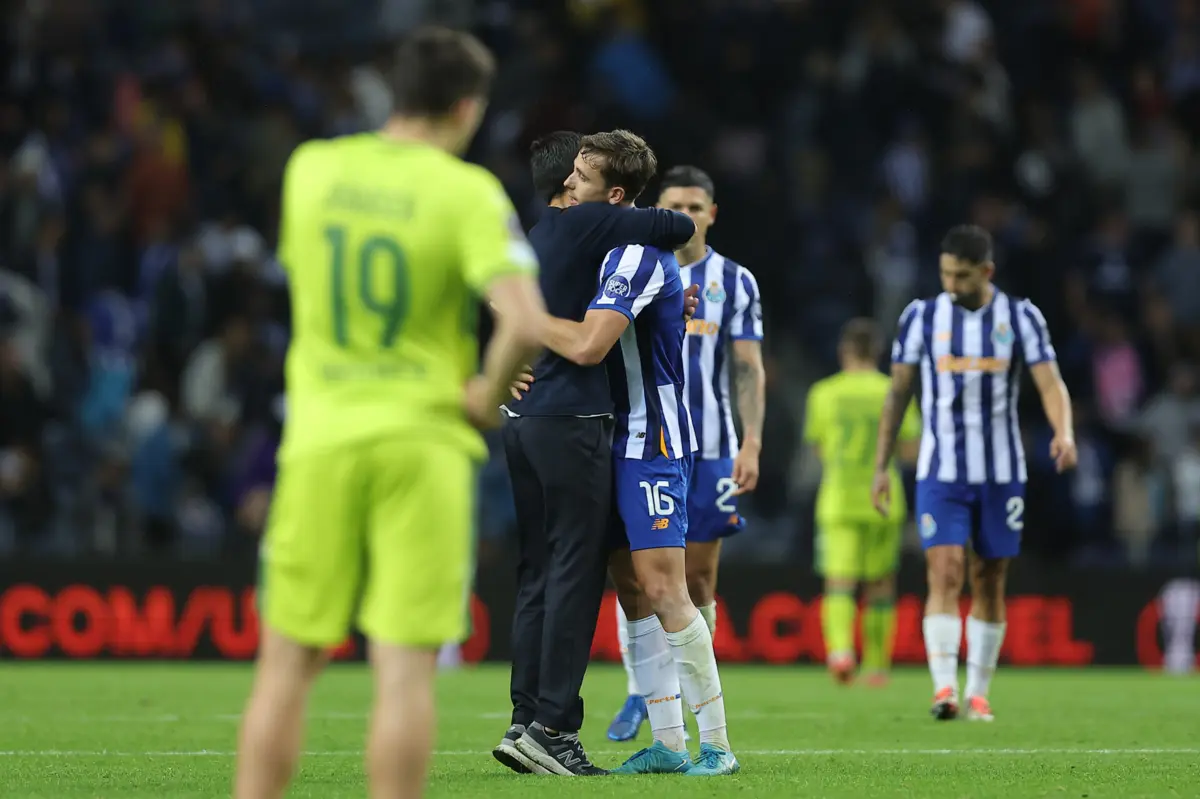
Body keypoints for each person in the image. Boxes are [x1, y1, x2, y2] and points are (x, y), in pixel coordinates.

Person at [233, 27, 546, 799]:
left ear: (395, 90)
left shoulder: (312, 170)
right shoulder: (466, 191)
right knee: (404, 674)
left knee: (285, 667)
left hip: (320, 437)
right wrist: (484, 394)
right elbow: (525, 320)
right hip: (423, 442)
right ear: (468, 107)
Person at [531, 131, 739, 777]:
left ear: (614, 196)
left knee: (664, 586)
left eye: (581, 177)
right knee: (630, 591)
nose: (567, 184)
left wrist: (515, 317)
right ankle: (669, 742)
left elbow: (592, 345)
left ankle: (718, 745)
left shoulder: (639, 257)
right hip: (607, 436)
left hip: (652, 439)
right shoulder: (598, 250)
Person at [491, 131, 695, 776]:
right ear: (572, 189)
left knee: (536, 576)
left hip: (520, 418)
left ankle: (525, 718)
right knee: (578, 575)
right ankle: (553, 730)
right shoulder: (588, 224)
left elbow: (492, 295)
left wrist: (509, 348)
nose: (578, 183)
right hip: (570, 418)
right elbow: (679, 223)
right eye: (577, 172)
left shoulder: (530, 239)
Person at [872, 224, 1077, 723]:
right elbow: (898, 393)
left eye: (961, 276)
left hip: (1001, 472)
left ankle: (979, 691)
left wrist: (1063, 431)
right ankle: (944, 688)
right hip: (940, 472)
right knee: (944, 571)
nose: (950, 284)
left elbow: (1050, 383)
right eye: (944, 273)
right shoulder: (921, 317)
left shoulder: (1021, 317)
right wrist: (881, 465)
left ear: (986, 272)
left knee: (989, 579)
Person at [607, 165, 765, 743]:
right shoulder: (638, 267)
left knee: (696, 576)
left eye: (696, 207)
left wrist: (752, 440)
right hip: (645, 442)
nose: (687, 216)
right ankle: (641, 693)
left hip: (713, 444)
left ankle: (695, 696)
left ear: (712, 213)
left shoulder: (735, 281)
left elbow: (748, 366)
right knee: (638, 576)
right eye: (676, 205)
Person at [804, 318, 920, 686]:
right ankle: (877, 666)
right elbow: (911, 448)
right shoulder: (893, 390)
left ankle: (840, 653)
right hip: (884, 500)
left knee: (839, 583)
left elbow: (819, 448)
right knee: (881, 584)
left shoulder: (824, 392)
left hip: (839, 498)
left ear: (845, 351)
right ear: (879, 351)